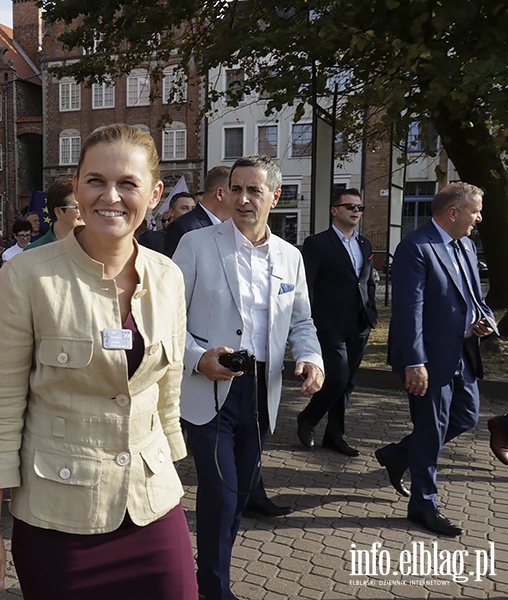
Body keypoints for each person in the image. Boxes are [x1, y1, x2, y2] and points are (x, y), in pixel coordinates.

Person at [0, 124, 197, 600]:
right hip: (59, 517)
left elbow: (167, 392)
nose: (110, 196)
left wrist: (171, 467)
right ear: (76, 187)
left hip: (152, 508)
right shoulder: (27, 277)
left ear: (154, 194)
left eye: (127, 183)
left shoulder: (169, 277)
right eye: (95, 180)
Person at [173, 154, 324, 599]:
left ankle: (208, 574)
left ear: (275, 198)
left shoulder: (289, 256)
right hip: (210, 386)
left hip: (262, 390)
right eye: (235, 188)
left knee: (239, 494)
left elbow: (301, 323)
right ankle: (214, 590)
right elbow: (166, 318)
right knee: (220, 492)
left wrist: (312, 358)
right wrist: (198, 359)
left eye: (253, 190)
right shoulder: (197, 245)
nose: (242, 199)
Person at [375, 182, 497, 537]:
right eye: (475, 211)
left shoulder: (468, 246)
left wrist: (483, 318)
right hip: (427, 358)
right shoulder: (416, 247)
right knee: (431, 429)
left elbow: (474, 294)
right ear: (453, 212)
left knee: (465, 416)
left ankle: (398, 455)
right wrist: (415, 361)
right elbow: (408, 311)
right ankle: (423, 504)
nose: (479, 217)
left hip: (462, 350)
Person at [297, 189, 377, 457]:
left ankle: (334, 435)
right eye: (350, 206)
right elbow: (306, 285)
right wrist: (306, 320)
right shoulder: (317, 243)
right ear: (335, 210)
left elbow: (367, 281)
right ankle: (307, 419)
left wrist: (372, 310)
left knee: (348, 382)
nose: (356, 211)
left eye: (360, 207)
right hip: (328, 323)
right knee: (338, 377)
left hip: (360, 323)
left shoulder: (364, 244)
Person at [164, 166, 232, 258]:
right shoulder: (183, 227)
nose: (243, 198)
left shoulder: (231, 227)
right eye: (236, 190)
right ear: (219, 193)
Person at [26, 178, 83, 250]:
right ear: (58, 212)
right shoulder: (33, 251)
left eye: (86, 206)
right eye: (77, 207)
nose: (85, 211)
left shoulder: (96, 248)